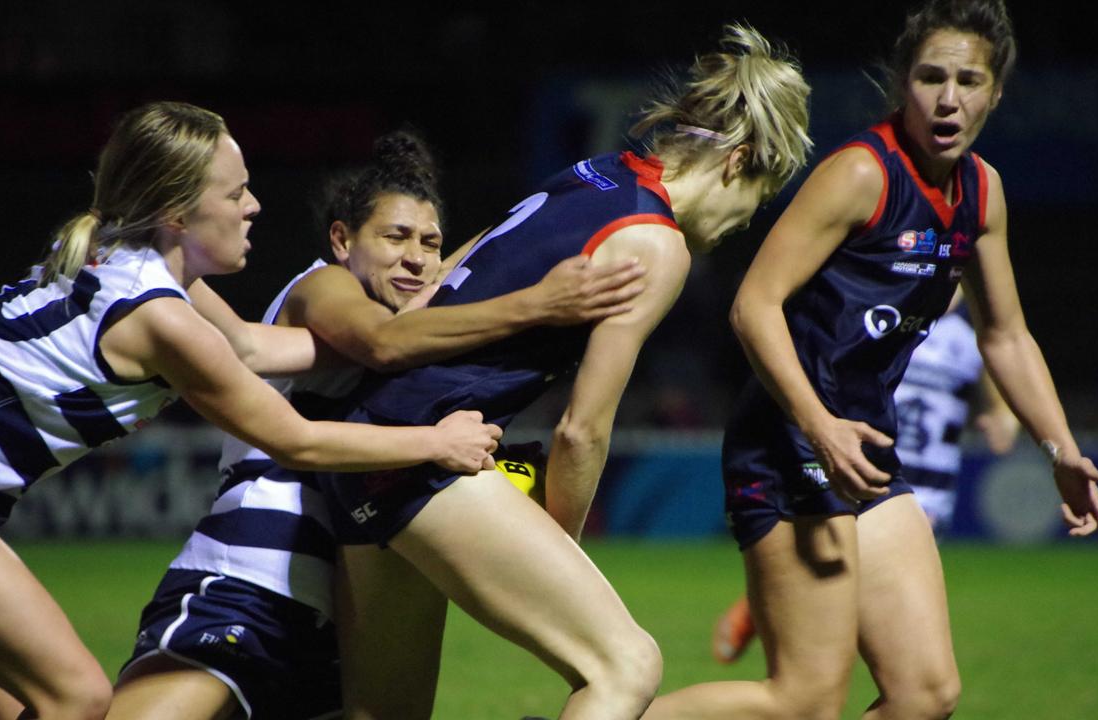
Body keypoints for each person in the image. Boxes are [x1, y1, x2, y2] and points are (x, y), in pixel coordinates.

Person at [0, 102, 502, 720]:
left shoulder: (125, 260)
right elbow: (294, 441)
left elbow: (252, 348)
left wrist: (408, 324)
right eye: (237, 192)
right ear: (177, 212)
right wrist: (435, 443)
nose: (253, 206)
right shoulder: (161, 316)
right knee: (77, 699)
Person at [317, 23, 812, 720]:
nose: (741, 225)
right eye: (757, 201)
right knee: (627, 667)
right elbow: (582, 431)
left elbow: (437, 286)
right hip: (428, 451)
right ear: (739, 162)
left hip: (366, 443)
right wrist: (559, 552)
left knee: (383, 712)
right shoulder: (656, 243)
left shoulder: (593, 174)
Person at [645, 2, 1098, 718]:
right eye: (930, 77)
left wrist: (1061, 450)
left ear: (995, 94)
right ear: (901, 84)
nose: (948, 98)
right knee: (802, 701)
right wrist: (819, 425)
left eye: (967, 80)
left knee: (925, 694)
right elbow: (754, 305)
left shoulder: (982, 194)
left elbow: (1006, 337)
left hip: (867, 449)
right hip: (790, 443)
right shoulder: (862, 174)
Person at [106, 129, 646, 720]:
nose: (416, 256)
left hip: (332, 610)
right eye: (395, 237)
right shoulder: (324, 287)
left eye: (432, 243)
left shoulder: (418, 342)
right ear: (341, 240)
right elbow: (382, 343)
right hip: (249, 576)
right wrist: (541, 304)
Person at [710, 291, 1019, 663]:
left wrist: (1002, 413)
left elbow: (997, 366)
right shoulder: (898, 300)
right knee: (848, 574)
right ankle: (772, 609)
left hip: (935, 474)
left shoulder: (976, 320)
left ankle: (770, 606)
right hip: (872, 461)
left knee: (878, 586)